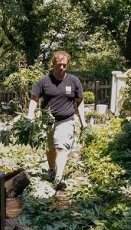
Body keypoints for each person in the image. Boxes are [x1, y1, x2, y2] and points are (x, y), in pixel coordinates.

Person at [27, 51, 87, 190]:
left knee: (61, 147)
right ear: (53, 64)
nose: (61, 68)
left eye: (64, 65)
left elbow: (80, 101)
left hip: (66, 119)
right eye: (59, 65)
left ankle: (59, 177)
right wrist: (30, 114)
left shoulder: (73, 81)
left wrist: (83, 120)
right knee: (50, 148)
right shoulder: (44, 81)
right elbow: (34, 98)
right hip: (47, 120)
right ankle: (51, 169)